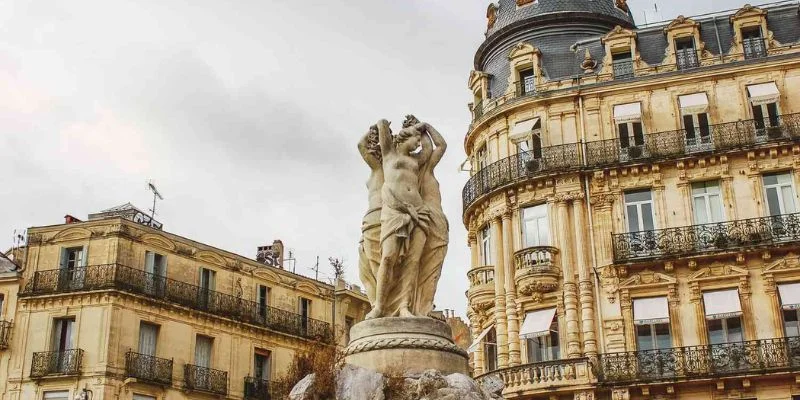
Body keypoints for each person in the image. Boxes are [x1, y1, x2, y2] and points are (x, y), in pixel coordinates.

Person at [366, 118, 430, 319]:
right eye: (415, 140)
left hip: (419, 212)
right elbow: (382, 124)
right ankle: (379, 307)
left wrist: (424, 128)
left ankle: (404, 306)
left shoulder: (416, 161)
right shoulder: (389, 155)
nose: (418, 145)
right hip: (395, 211)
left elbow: (432, 147)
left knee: (413, 261)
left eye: (419, 142)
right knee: (388, 257)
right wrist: (413, 128)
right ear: (404, 138)